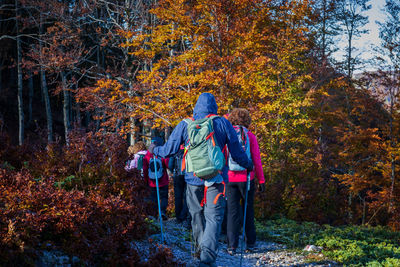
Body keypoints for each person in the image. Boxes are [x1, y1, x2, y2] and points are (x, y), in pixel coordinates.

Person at [148, 93, 253, 267]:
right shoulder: (222, 123)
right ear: (214, 106)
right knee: (214, 217)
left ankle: (199, 252)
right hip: (216, 178)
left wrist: (154, 149)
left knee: (197, 215)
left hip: (192, 178)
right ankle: (207, 256)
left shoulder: (186, 124)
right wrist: (248, 164)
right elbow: (237, 152)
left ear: (196, 107)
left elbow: (168, 150)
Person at [225, 108, 265, 255]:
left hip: (229, 177)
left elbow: (223, 156)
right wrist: (261, 180)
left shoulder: (227, 135)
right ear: (247, 120)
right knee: (248, 210)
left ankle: (232, 246)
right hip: (247, 178)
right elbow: (256, 160)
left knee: (232, 212)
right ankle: (251, 243)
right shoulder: (250, 136)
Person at [143, 137, 170, 220]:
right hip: (163, 180)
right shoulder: (162, 153)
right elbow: (168, 165)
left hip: (151, 182)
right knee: (164, 197)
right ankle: (162, 213)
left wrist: (145, 180)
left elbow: (145, 169)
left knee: (153, 198)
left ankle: (153, 215)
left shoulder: (147, 155)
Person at [168, 144, 190, 225]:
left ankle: (178, 217)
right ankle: (184, 215)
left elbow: (170, 165)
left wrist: (172, 171)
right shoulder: (188, 149)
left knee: (178, 196)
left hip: (177, 175)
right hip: (187, 175)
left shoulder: (175, 150)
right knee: (186, 196)